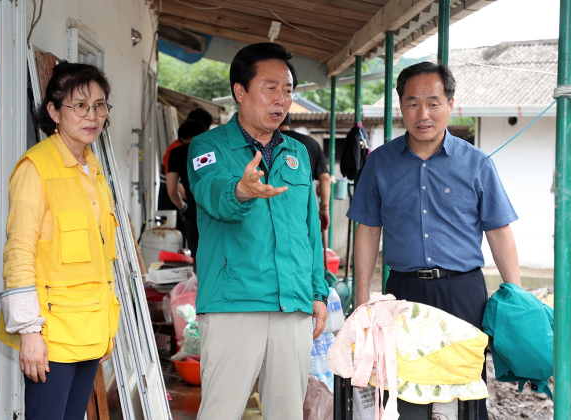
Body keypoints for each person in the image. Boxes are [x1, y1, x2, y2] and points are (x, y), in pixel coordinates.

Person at [347, 61, 521, 420]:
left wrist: (516, 298)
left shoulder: (476, 163)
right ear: (400, 107)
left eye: (433, 102)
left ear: (451, 104)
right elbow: (367, 230)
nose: (423, 113)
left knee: (464, 399)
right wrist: (362, 300)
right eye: (412, 103)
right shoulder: (379, 163)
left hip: (464, 294)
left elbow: (499, 231)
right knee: (406, 394)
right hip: (404, 293)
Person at [187, 42, 328, 420]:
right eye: (270, 87)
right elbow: (212, 192)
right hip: (236, 302)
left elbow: (310, 231)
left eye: (287, 90)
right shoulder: (208, 147)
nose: (281, 99)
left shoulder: (298, 154)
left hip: (292, 304)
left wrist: (318, 292)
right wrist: (240, 190)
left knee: (286, 413)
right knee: (221, 412)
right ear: (240, 91)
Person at [0, 62, 121, 420]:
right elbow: (18, 252)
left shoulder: (92, 168)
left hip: (90, 330)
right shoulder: (36, 168)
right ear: (53, 111)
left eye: (99, 105)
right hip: (51, 336)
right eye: (79, 105)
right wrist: (29, 333)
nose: (92, 115)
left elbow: (100, 256)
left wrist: (106, 329)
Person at [279, 114, 331, 231]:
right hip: (304, 205)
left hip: (275, 204)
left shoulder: (268, 142)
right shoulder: (310, 143)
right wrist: (324, 209)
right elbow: (325, 178)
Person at [166, 119, 207, 259]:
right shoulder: (214, 149)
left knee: (198, 258)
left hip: (195, 210)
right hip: (219, 207)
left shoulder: (177, 153)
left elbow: (172, 191)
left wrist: (183, 207)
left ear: (182, 138)